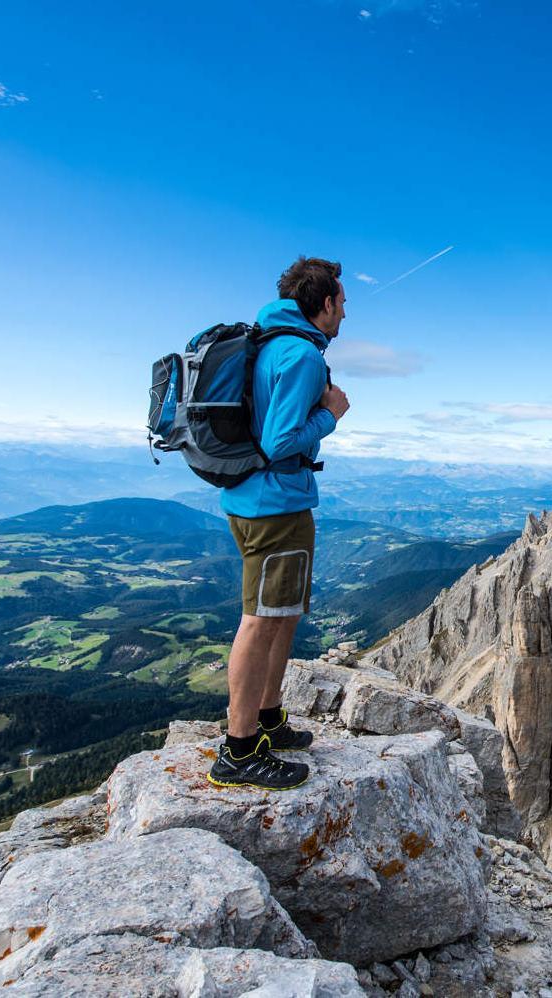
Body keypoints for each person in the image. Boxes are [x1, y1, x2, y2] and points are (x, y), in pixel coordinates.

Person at [207, 256, 351, 790]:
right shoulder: (302, 355)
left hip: (250, 499)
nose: (345, 315)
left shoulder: (269, 343)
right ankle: (239, 750)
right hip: (276, 508)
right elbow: (280, 441)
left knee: (281, 613)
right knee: (261, 620)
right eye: (343, 304)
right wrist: (331, 416)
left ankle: (268, 720)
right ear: (326, 303)